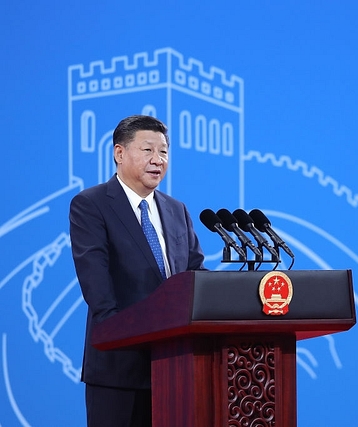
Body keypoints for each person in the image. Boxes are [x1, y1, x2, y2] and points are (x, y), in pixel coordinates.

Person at [69, 115, 206, 426]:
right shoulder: (91, 205)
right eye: (148, 150)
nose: (158, 160)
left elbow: (194, 273)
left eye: (164, 152)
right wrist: (129, 336)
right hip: (119, 369)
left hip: (177, 369)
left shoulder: (176, 209)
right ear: (119, 153)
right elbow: (97, 287)